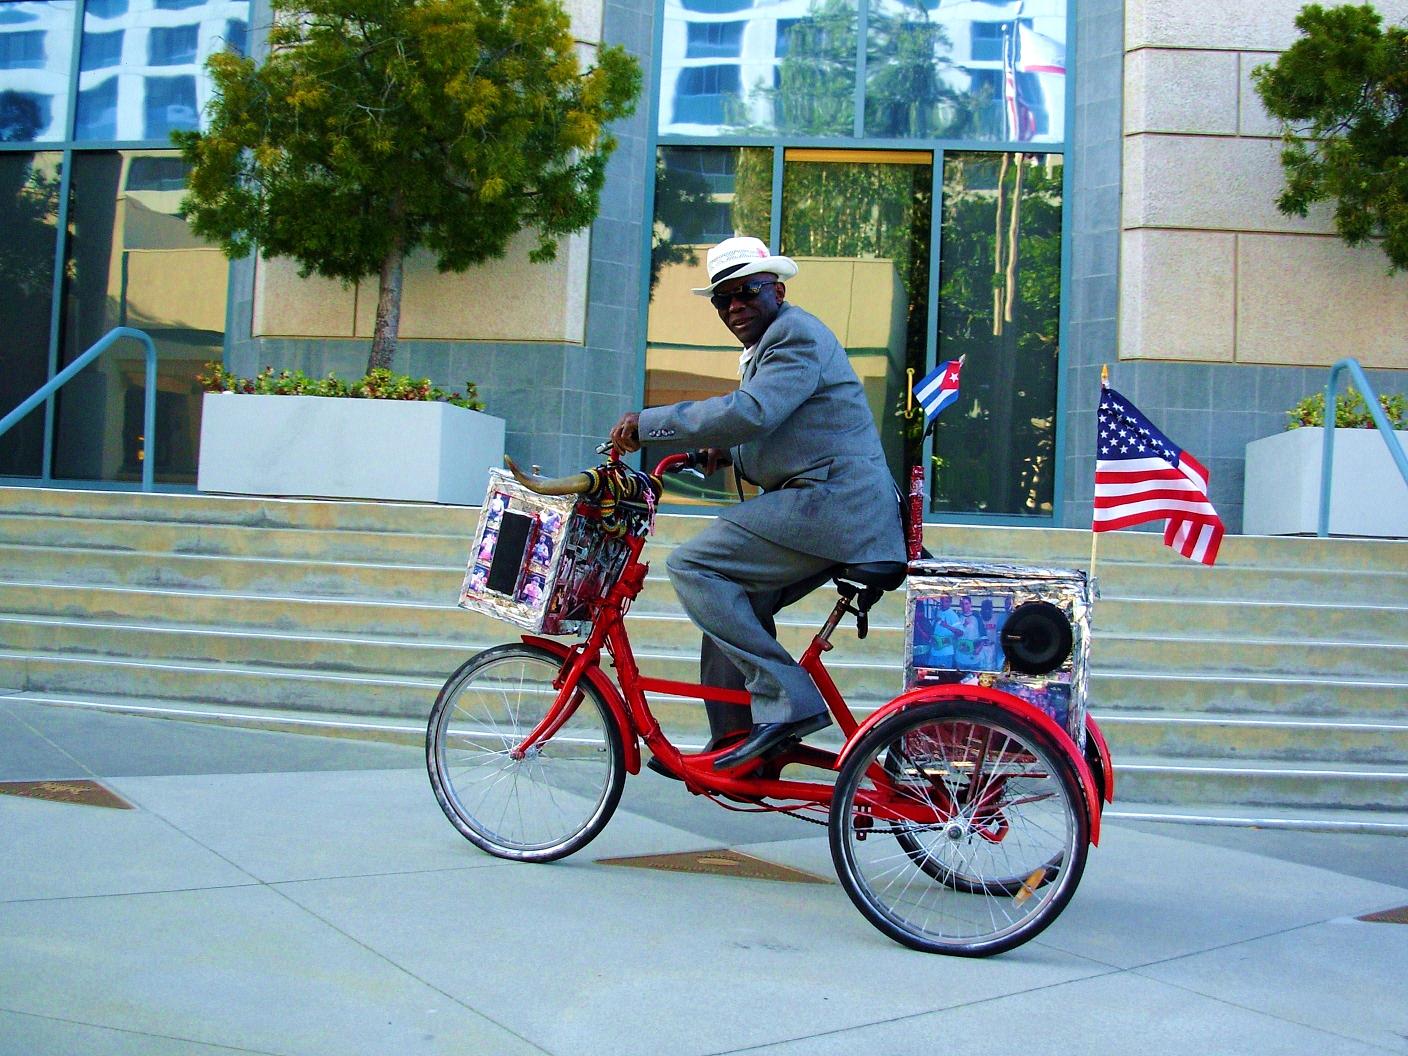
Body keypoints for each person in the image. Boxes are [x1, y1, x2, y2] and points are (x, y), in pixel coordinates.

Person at [610, 236, 905, 769]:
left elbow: (753, 412)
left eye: (747, 291)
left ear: (777, 290)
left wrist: (649, 423)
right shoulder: (772, 343)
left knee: (693, 565)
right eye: (723, 299)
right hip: (831, 508)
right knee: (732, 599)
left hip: (835, 506)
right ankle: (739, 744)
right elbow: (788, 426)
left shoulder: (794, 335)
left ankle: (787, 703)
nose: (734, 306)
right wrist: (725, 452)